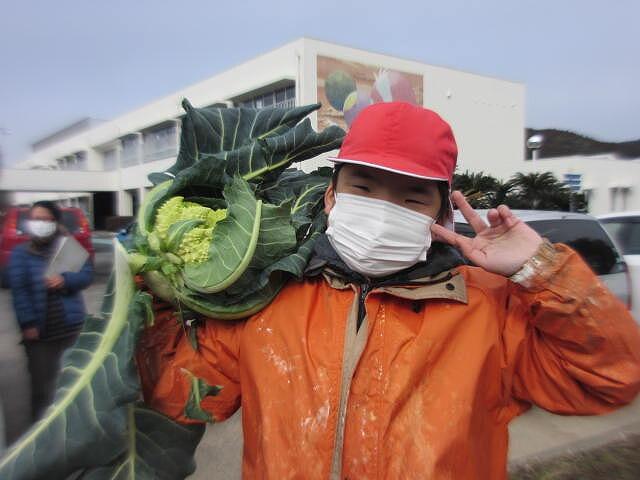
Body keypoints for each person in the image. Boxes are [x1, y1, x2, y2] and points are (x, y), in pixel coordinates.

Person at [136, 102, 640, 479]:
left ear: (441, 214)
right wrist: (153, 292)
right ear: (330, 196)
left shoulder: (487, 308)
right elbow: (183, 394)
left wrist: (540, 270)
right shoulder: (269, 297)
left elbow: (608, 380)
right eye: (364, 188)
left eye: (411, 197)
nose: (383, 210)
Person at [8, 201, 93, 422]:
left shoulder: (67, 248)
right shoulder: (21, 254)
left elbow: (86, 276)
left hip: (71, 328)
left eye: (47, 219)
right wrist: (28, 323)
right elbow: (19, 291)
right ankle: (40, 430)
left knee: (74, 383)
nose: (41, 223)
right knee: (42, 388)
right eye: (37, 219)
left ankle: (71, 428)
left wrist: (65, 280)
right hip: (41, 333)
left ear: (55, 222)